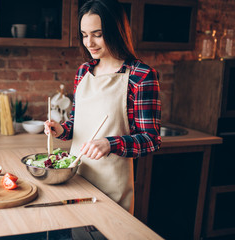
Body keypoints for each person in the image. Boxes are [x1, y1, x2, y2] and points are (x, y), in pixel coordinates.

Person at [44, 0, 161, 214]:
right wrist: (61, 130)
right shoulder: (83, 72)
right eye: (84, 34)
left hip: (112, 190)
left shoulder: (141, 75)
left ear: (116, 30)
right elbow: (77, 122)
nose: (89, 43)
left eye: (97, 34)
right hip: (76, 180)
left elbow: (151, 139)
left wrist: (110, 144)